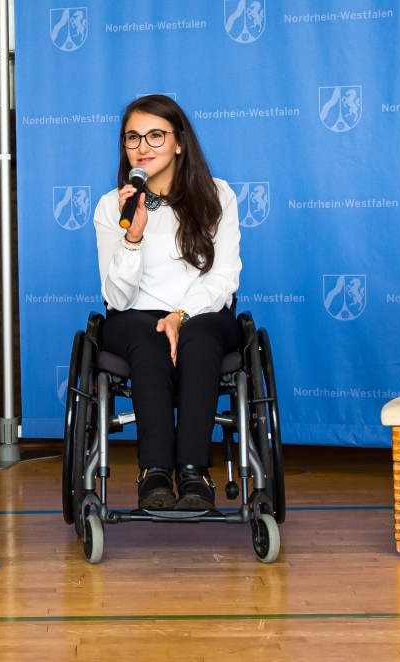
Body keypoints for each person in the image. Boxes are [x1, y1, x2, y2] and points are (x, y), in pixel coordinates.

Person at [94, 95, 241, 511]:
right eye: (133, 138)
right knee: (146, 335)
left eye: (155, 135)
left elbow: (223, 276)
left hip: (204, 313)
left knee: (199, 334)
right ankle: (154, 472)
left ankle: (194, 473)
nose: (143, 147)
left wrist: (180, 315)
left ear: (179, 142)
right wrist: (133, 236)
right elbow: (117, 296)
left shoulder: (218, 196)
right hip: (135, 317)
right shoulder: (112, 206)